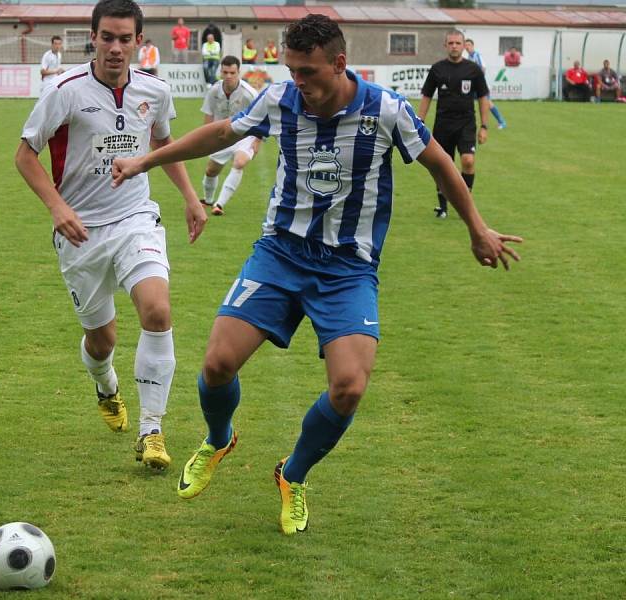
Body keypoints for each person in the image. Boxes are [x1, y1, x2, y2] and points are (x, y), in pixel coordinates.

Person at [112, 14, 521, 535]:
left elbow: (440, 163)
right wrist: (146, 161)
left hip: (348, 269)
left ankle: (293, 474)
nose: (298, 82)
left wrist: (477, 229)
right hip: (280, 254)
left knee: (349, 386)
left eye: (308, 72)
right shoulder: (281, 100)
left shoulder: (385, 110)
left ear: (339, 64)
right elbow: (220, 132)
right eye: (292, 70)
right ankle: (218, 439)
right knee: (216, 364)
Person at [15, 0, 207, 471]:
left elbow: (163, 144)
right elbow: (25, 155)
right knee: (102, 341)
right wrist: (57, 207)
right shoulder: (63, 90)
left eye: (126, 38)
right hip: (80, 233)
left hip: (135, 218)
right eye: (108, 37)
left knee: (158, 311)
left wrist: (189, 196)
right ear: (93, 37)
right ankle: (106, 386)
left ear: (140, 41)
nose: (116, 47)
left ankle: (152, 431)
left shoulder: (155, 91)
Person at [418, 30, 491, 219]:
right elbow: (426, 95)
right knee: (443, 166)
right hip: (443, 124)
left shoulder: (473, 70)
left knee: (468, 161)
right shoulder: (437, 69)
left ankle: (466, 202)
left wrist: (484, 126)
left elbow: (483, 97)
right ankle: (443, 207)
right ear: (445, 46)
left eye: (458, 43)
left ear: (463, 45)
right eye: (451, 43)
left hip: (466, 123)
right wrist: (419, 122)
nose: (454, 46)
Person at [199, 55, 261, 216]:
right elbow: (208, 114)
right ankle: (208, 199)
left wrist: (258, 140)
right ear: (220, 71)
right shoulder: (214, 90)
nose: (228, 76)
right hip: (221, 136)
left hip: (245, 136)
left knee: (239, 163)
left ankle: (219, 204)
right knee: (211, 171)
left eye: (232, 73)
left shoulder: (250, 93)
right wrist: (206, 139)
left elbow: (262, 116)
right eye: (225, 72)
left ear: (238, 72)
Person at [464, 39, 506, 129]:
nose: (467, 47)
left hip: (480, 85)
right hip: (473, 86)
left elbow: (483, 68)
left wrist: (479, 81)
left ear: (472, 46)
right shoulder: (469, 57)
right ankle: (467, 123)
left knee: (487, 103)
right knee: (466, 101)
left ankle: (502, 122)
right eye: (466, 45)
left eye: (469, 45)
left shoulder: (476, 55)